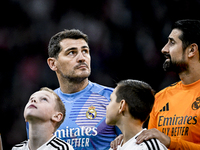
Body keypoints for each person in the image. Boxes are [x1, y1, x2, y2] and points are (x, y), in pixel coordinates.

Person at [111, 19, 200, 150]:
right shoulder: (161, 98)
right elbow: (153, 144)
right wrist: (131, 140)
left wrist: (170, 142)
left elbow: (165, 141)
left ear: (191, 50)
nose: (164, 49)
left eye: (172, 43)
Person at [45, 29, 121, 149]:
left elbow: (135, 144)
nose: (82, 58)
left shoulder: (114, 98)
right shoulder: (42, 106)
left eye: (85, 51)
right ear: (53, 64)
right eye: (71, 52)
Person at [106, 79, 168, 150]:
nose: (107, 106)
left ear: (121, 105)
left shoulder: (146, 147)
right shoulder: (116, 146)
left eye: (111, 100)